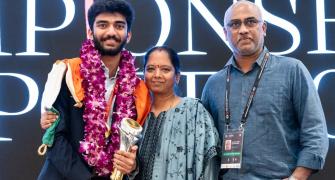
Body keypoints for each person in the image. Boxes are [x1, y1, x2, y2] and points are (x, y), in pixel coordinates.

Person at [201, 1, 329, 180]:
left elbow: (314, 131)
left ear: (264, 28)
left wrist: (297, 178)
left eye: (251, 22)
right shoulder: (213, 84)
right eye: (235, 24)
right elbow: (203, 145)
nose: (243, 29)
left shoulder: (292, 70)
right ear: (225, 33)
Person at [38, 0, 151, 179]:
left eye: (119, 26)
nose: (111, 32)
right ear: (90, 32)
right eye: (103, 25)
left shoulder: (139, 90)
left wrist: (133, 164)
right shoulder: (68, 73)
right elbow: (55, 140)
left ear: (128, 35)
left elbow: (140, 149)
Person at [134, 46, 220, 180]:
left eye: (165, 69)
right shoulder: (137, 115)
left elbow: (209, 161)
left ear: (177, 77)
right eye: (151, 69)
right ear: (143, 75)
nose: (157, 75)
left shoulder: (193, 111)